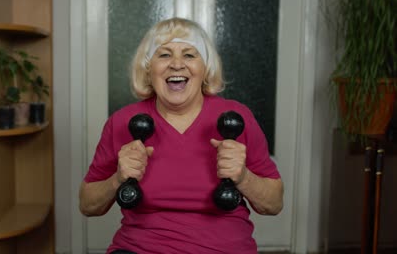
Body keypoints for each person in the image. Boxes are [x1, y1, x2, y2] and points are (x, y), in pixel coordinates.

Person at [79, 17, 284, 254]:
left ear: (205, 68)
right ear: (148, 68)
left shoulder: (236, 117)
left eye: (189, 54)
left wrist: (244, 177)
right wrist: (118, 178)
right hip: (140, 248)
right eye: (164, 55)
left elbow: (274, 204)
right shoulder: (122, 122)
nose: (177, 64)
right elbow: (87, 204)